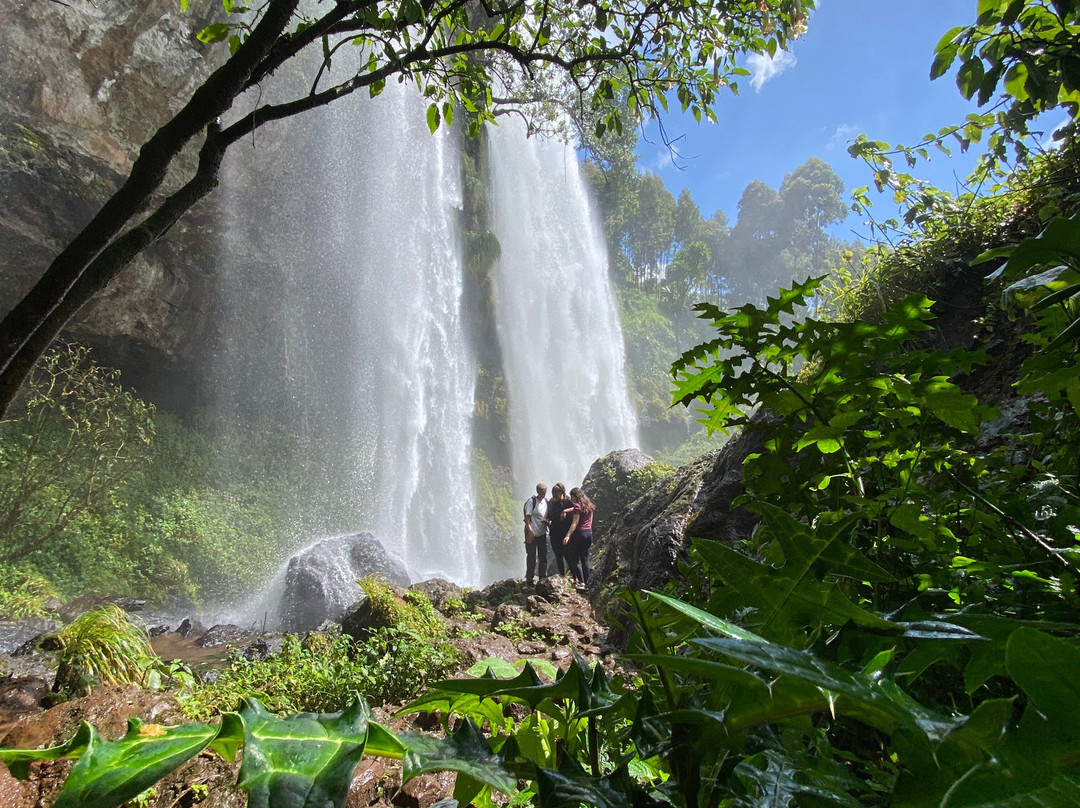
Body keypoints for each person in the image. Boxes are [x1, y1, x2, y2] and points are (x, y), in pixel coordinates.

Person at [563, 486, 595, 590]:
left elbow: (575, 523)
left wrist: (568, 535)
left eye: (572, 497)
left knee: (574, 558)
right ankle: (587, 583)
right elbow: (590, 521)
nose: (571, 499)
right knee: (585, 559)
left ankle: (581, 582)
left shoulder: (577, 506)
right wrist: (566, 510)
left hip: (579, 534)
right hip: (588, 533)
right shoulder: (589, 505)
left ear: (575, 496)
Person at [523, 483, 548, 585]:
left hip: (542, 533)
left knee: (543, 556)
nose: (544, 495)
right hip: (532, 533)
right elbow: (527, 519)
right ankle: (529, 578)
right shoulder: (531, 502)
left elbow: (548, 515)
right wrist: (530, 532)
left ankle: (542, 578)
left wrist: (548, 522)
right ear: (538, 491)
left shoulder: (546, 502)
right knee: (531, 556)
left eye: (545, 492)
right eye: (542, 493)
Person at [546, 483, 573, 576]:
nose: (555, 498)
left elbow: (578, 509)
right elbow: (549, 515)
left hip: (565, 533)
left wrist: (566, 511)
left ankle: (575, 577)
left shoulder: (568, 502)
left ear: (562, 493)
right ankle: (562, 575)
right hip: (554, 533)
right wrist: (548, 520)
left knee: (568, 555)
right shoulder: (551, 502)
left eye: (556, 496)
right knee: (558, 555)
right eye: (553, 496)